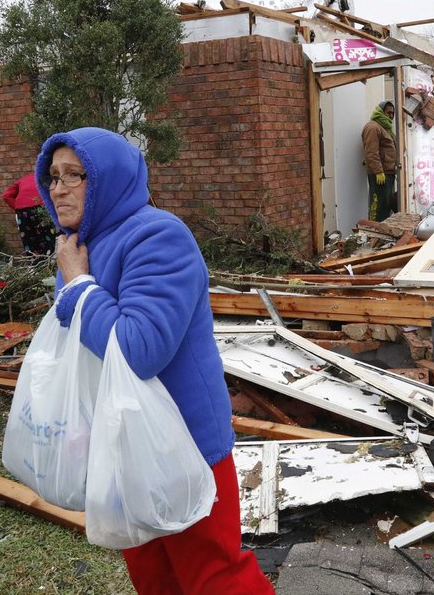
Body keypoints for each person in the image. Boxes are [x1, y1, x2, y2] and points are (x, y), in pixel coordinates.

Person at [35, 127, 274, 594]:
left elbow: (138, 350)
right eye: (52, 176)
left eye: (73, 176)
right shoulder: (78, 245)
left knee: (213, 576)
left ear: (107, 178)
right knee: (153, 576)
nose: (58, 188)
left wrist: (79, 286)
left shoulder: (158, 236)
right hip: (119, 442)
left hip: (181, 442)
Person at [362, 99, 398, 222]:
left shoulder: (385, 128)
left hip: (388, 173)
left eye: (392, 113)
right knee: (377, 205)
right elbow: (371, 152)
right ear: (381, 112)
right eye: (388, 112)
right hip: (379, 175)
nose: (391, 115)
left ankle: (383, 233)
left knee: (386, 205)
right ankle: (374, 233)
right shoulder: (373, 127)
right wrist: (378, 171)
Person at [3, 172, 56, 254]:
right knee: (47, 237)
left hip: (22, 211)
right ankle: (49, 261)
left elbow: (6, 195)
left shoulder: (23, 179)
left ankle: (33, 262)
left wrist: (18, 208)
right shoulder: (45, 177)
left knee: (29, 240)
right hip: (40, 207)